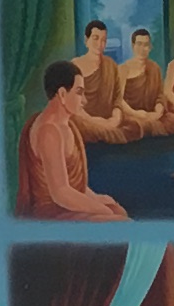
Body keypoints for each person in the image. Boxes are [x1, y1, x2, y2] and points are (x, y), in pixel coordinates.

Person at [17, 59, 130, 221]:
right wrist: (101, 210)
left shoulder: (68, 125)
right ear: (62, 94)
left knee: (117, 210)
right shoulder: (48, 131)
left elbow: (76, 185)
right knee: (120, 222)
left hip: (69, 205)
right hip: (55, 215)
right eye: (79, 92)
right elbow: (61, 193)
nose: (84, 100)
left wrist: (97, 199)